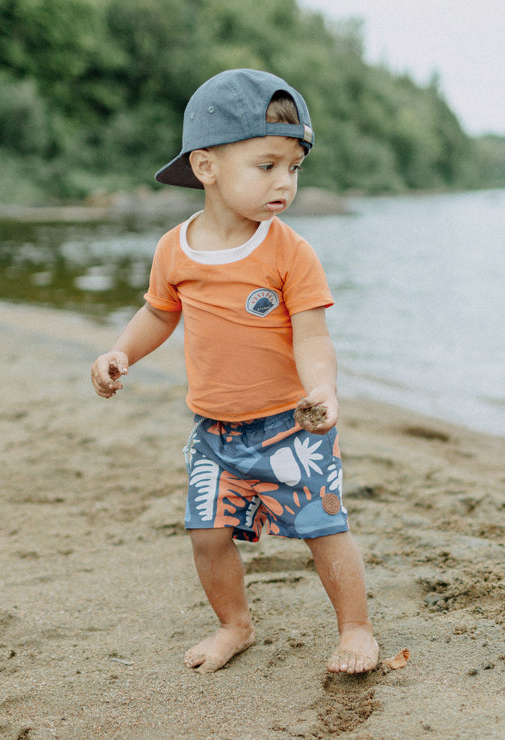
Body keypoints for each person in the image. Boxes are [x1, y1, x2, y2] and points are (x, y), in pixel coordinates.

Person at [91, 69, 378, 675]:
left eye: (294, 168)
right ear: (206, 167)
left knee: (323, 528)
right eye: (267, 165)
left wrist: (322, 387)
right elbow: (158, 312)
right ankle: (234, 624)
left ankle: (355, 629)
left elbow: (313, 334)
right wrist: (121, 353)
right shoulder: (175, 248)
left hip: (290, 428)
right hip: (214, 432)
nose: (286, 183)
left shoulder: (288, 251)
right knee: (207, 534)